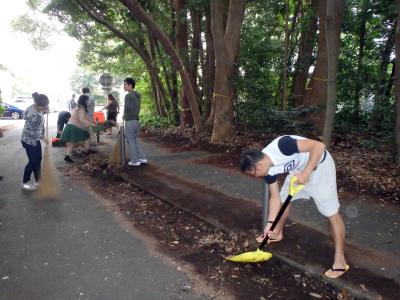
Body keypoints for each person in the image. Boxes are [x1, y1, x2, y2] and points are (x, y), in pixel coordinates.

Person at [239, 135, 348, 279]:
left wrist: (307, 172)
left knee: (331, 213)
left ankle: (340, 259)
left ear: (258, 166)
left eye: (253, 174)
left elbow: (319, 146)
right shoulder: (268, 170)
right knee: (284, 200)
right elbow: (275, 197)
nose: (255, 177)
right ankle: (276, 232)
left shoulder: (283, 146)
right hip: (299, 171)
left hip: (320, 168)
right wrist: (270, 224)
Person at [20, 92, 49, 190]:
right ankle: (25, 182)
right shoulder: (34, 115)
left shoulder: (32, 106)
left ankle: (38, 180)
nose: (45, 108)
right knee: (33, 161)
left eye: (46, 106)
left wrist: (43, 111)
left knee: (38, 159)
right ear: (37, 104)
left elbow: (24, 115)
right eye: (43, 107)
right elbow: (35, 132)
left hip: (34, 140)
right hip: (29, 140)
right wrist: (43, 138)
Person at [60, 95, 95, 163]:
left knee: (73, 142)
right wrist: (92, 124)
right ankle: (87, 151)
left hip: (71, 126)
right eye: (87, 100)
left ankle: (67, 156)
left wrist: (92, 121)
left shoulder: (79, 107)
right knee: (86, 136)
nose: (88, 101)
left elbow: (85, 118)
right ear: (84, 100)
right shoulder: (82, 108)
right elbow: (82, 120)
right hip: (74, 127)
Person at [123, 77, 147, 166]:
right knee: (135, 140)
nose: (124, 86)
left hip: (130, 120)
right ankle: (142, 158)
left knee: (130, 140)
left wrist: (124, 116)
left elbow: (127, 108)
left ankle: (134, 161)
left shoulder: (128, 96)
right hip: (136, 120)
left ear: (130, 85)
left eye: (125, 84)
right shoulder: (137, 95)